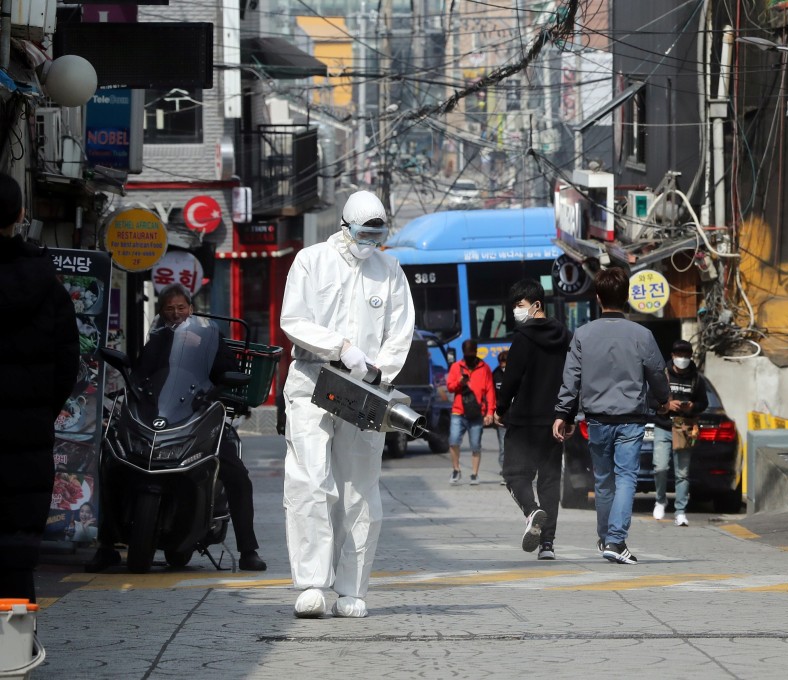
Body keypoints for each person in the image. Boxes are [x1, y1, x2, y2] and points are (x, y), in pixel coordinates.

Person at [280, 190, 414, 619]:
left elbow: (401, 331)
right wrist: (339, 347)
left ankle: (353, 588)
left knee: (359, 488)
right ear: (345, 226)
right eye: (364, 233)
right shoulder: (310, 261)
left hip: (365, 392)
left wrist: (378, 371)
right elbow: (293, 320)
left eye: (378, 234)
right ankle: (312, 583)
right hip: (312, 379)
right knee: (310, 483)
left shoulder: (390, 269)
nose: (370, 242)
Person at [89, 284, 268, 573]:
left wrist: (216, 385)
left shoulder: (210, 338)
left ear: (191, 309)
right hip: (156, 420)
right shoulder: (157, 339)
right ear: (161, 311)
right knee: (111, 461)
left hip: (196, 416)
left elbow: (227, 372)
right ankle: (105, 545)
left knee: (235, 474)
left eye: (181, 308)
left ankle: (248, 550)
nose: (175, 314)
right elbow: (140, 376)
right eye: (169, 308)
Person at [553, 267, 669, 565]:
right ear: (627, 296)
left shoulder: (583, 334)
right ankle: (616, 540)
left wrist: (562, 414)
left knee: (603, 481)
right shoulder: (642, 335)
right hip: (630, 419)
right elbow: (656, 372)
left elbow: (571, 379)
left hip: (596, 420)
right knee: (626, 477)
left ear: (597, 297)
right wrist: (664, 401)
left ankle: (606, 537)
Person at [0, 171, 79, 602]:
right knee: (15, 554)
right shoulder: (47, 289)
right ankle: (15, 652)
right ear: (20, 215)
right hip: (26, 443)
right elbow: (68, 364)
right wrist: (35, 412)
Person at [496, 279, 571, 559]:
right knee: (550, 481)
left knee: (514, 474)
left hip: (524, 420)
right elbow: (572, 379)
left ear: (536, 304)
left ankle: (531, 511)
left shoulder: (523, 338)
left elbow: (511, 379)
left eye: (520, 305)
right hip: (554, 421)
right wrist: (568, 415)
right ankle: (547, 545)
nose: (517, 310)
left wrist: (500, 409)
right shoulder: (566, 336)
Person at [652, 339, 708, 527]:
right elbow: (651, 399)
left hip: (684, 428)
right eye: (679, 355)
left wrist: (692, 406)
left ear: (690, 356)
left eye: (686, 355)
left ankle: (680, 511)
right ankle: (660, 500)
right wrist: (667, 405)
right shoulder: (663, 374)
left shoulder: (696, 378)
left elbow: (703, 403)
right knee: (659, 467)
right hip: (663, 426)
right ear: (672, 356)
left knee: (682, 473)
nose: (682, 359)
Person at [446, 339, 495, 485]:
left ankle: (474, 474)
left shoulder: (484, 368)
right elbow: (449, 387)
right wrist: (459, 383)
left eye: (471, 353)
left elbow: (490, 391)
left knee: (475, 445)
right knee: (453, 440)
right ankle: (456, 470)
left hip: (477, 412)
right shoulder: (456, 367)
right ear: (463, 353)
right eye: (467, 354)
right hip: (458, 411)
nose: (469, 356)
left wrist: (490, 412)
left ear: (476, 352)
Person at [492, 350, 508, 476]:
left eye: (505, 363)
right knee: (503, 446)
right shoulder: (495, 374)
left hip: (516, 415)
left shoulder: (517, 373)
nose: (503, 366)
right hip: (502, 416)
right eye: (501, 364)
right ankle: (505, 470)